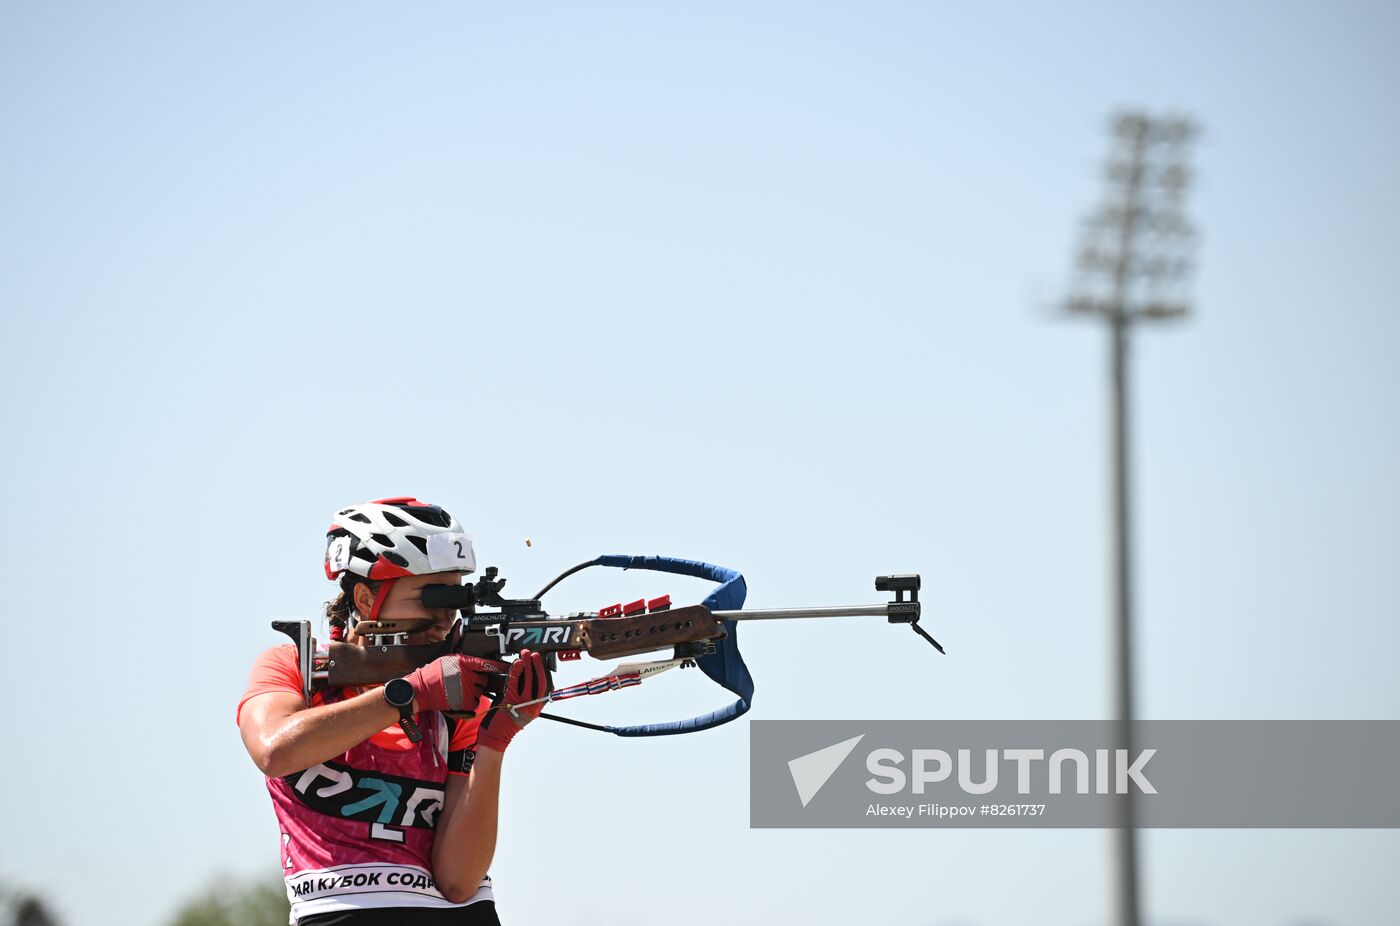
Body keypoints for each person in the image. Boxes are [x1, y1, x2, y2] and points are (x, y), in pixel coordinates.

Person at [237, 497, 549, 925]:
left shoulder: (456, 697)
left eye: (455, 600)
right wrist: (410, 695)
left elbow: (458, 881)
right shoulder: (292, 667)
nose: (444, 620)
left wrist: (495, 741)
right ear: (366, 599)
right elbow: (273, 751)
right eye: (431, 599)